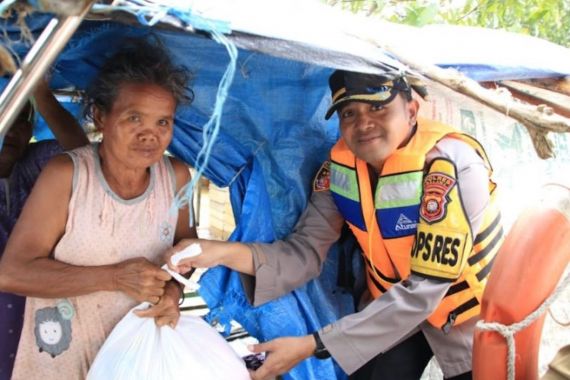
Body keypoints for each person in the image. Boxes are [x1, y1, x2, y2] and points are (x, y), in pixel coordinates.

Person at [165, 70, 504, 380]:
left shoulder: (450, 167)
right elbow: (304, 252)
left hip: (465, 314)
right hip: (390, 311)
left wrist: (313, 344)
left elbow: (426, 291)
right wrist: (217, 252)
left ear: (412, 111)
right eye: (349, 113)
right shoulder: (339, 171)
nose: (364, 123)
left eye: (378, 108)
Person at [0, 37, 196, 379]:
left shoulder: (176, 176)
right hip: (62, 360)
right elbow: (11, 273)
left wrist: (173, 292)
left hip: (138, 362)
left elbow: (187, 258)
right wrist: (115, 277)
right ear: (100, 116)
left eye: (162, 122)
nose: (150, 135)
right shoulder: (66, 175)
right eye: (134, 118)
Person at [0, 78, 89, 380]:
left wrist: (41, 93)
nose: (10, 130)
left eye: (21, 119)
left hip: (39, 329)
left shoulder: (36, 166)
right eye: (3, 115)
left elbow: (84, 158)